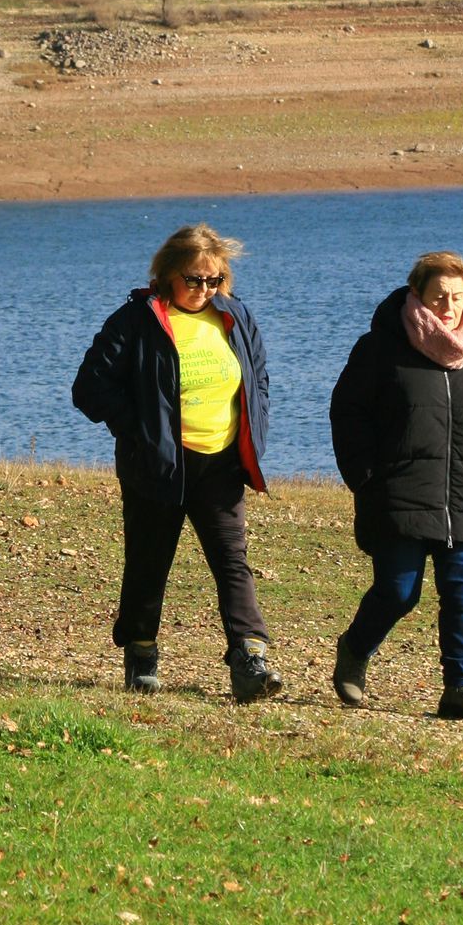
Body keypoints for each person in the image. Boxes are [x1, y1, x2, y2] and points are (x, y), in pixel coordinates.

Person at [72, 223, 281, 704]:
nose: (204, 290)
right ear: (167, 274)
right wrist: (143, 432)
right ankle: (142, 656)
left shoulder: (236, 317)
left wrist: (255, 433)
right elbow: (89, 388)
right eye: (194, 279)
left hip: (221, 464)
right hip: (157, 468)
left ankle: (251, 660)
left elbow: (259, 380)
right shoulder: (136, 320)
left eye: (214, 281)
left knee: (233, 563)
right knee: (149, 563)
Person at [329, 249, 463, 720]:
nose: (448, 307)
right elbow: (348, 411)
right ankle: (353, 650)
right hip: (399, 492)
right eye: (438, 297)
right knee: (398, 591)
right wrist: (364, 476)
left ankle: (460, 689)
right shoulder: (381, 347)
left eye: (456, 296)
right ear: (418, 295)